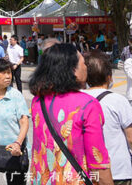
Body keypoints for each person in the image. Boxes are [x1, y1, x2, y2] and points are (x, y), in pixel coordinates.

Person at [28, 44, 114, 185]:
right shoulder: (88, 104)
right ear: (73, 70)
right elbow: (98, 163)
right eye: (83, 63)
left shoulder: (38, 100)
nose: (86, 67)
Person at [82, 51, 132, 184]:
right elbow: (131, 137)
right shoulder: (118, 100)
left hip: (87, 172)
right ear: (109, 77)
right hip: (117, 171)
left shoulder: (78, 99)